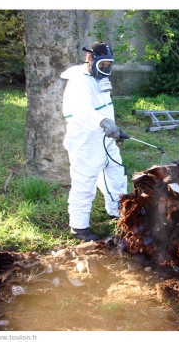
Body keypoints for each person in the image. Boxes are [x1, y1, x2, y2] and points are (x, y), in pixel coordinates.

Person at [61, 42, 127, 242]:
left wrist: (115, 129)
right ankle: (79, 227)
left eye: (108, 64)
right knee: (85, 183)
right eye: (102, 64)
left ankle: (116, 212)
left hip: (105, 138)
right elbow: (82, 112)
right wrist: (103, 122)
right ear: (90, 59)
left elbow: (106, 107)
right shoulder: (78, 82)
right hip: (86, 141)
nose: (105, 68)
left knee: (116, 174)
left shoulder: (100, 79)